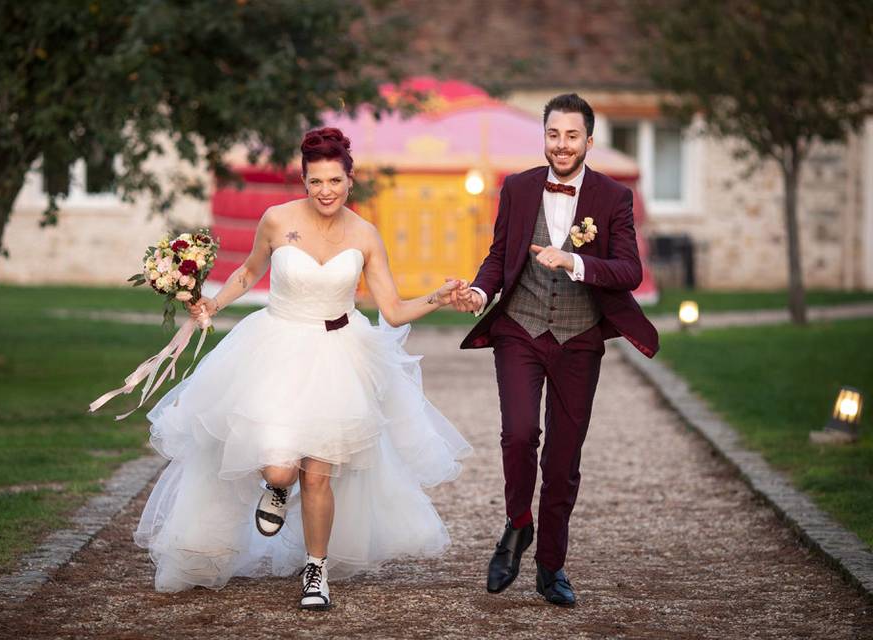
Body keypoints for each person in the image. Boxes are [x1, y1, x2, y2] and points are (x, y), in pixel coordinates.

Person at [133, 127, 472, 611]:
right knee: (281, 465)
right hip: (277, 346)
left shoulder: (365, 235)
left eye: (335, 180)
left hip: (339, 353)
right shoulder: (276, 220)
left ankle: (317, 570)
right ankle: (274, 487)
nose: (326, 190)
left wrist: (438, 297)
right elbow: (249, 271)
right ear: (304, 180)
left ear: (350, 180)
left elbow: (392, 310)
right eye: (316, 181)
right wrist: (213, 304)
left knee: (318, 474)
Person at [451, 94, 659, 606]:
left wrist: (574, 262)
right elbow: (500, 255)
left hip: (579, 338)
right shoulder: (518, 188)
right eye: (552, 135)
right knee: (519, 433)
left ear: (589, 141)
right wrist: (480, 292)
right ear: (543, 137)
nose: (561, 145)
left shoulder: (612, 198)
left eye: (571, 136)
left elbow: (630, 271)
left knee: (563, 459)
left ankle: (551, 565)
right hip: (519, 329)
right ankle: (518, 524)